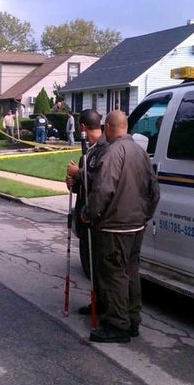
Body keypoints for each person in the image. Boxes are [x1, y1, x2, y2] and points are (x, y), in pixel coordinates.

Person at [84, 110, 160, 343]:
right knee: (131, 272)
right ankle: (132, 318)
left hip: (114, 226)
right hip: (136, 225)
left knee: (114, 275)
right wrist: (144, 216)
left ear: (107, 127)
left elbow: (103, 190)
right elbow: (154, 191)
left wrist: (90, 213)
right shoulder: (140, 152)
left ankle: (118, 324)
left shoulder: (112, 153)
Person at [66, 109, 108, 315]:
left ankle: (105, 307)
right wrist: (73, 182)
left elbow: (102, 180)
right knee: (92, 269)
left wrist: (79, 173)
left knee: (101, 267)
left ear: (82, 127)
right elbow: (81, 186)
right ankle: (97, 302)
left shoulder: (106, 149)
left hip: (98, 218)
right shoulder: (88, 152)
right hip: (85, 216)